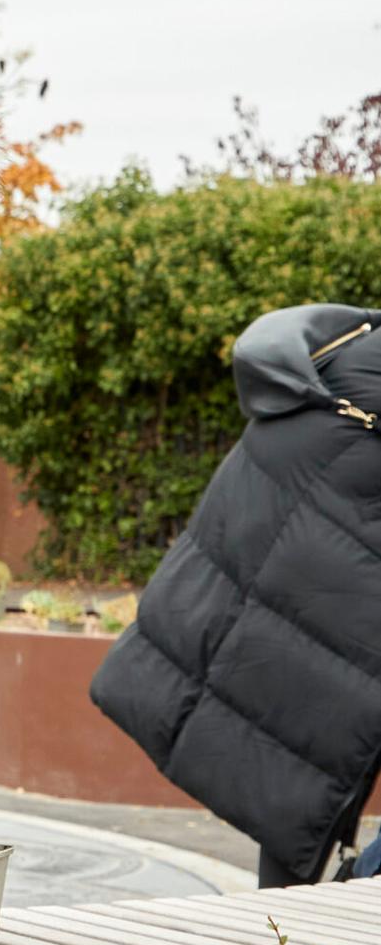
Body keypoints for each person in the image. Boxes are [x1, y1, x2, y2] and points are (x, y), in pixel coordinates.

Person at [92, 305, 381, 887]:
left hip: (294, 610)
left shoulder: (348, 353)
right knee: (298, 781)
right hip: (316, 604)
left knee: (292, 787)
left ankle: (292, 938)